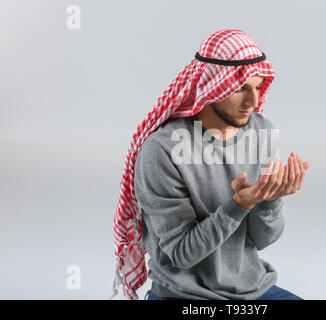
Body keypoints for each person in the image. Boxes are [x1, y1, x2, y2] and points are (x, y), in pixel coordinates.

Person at [111, 29, 310, 300]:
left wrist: (269, 201)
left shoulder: (261, 133)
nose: (252, 102)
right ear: (213, 86)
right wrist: (239, 205)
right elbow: (182, 254)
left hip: (253, 290)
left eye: (258, 87)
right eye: (241, 88)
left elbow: (263, 240)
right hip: (183, 295)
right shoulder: (162, 151)